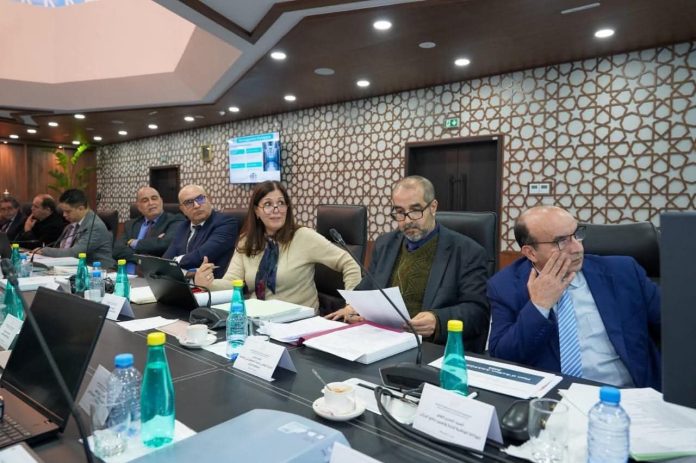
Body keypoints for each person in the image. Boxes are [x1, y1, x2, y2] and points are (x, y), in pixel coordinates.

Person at [487, 205, 661, 389]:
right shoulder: (505, 286)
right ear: (531, 252)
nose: (577, 248)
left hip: (628, 392)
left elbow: (673, 326)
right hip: (554, 396)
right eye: (561, 241)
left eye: (576, 234)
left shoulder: (623, 272)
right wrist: (539, 305)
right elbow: (503, 357)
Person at [326, 176, 489, 352]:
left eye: (415, 210)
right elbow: (367, 287)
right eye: (400, 212)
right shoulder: (385, 244)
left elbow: (478, 312)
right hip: (380, 341)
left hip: (429, 348)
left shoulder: (467, 252)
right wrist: (354, 307)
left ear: (433, 207)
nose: (407, 220)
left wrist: (438, 321)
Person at [194, 180, 361, 310]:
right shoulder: (247, 241)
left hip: (299, 323)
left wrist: (353, 305)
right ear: (256, 211)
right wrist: (208, 284)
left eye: (281, 203)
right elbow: (232, 282)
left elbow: (350, 263)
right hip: (257, 318)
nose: (276, 209)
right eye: (268, 204)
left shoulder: (304, 237)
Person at [162, 185, 238, 278]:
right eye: (188, 202)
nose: (197, 205)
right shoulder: (182, 227)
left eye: (200, 199)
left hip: (211, 283)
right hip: (182, 282)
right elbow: (165, 261)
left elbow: (202, 256)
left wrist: (176, 261)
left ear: (209, 199)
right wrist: (184, 272)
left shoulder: (226, 223)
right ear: (182, 209)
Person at [37, 189, 114, 267]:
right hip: (71, 267)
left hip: (99, 270)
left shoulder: (95, 226)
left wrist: (44, 250)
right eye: (63, 211)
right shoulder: (72, 225)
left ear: (81, 208)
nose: (64, 215)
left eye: (68, 211)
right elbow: (59, 247)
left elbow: (74, 253)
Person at [113, 186, 184, 272]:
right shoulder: (131, 224)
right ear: (139, 207)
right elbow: (117, 250)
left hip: (153, 275)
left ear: (161, 201)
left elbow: (165, 244)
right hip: (124, 274)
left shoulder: (176, 220)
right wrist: (144, 257)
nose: (151, 203)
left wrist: (135, 243)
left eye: (154, 198)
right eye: (145, 200)